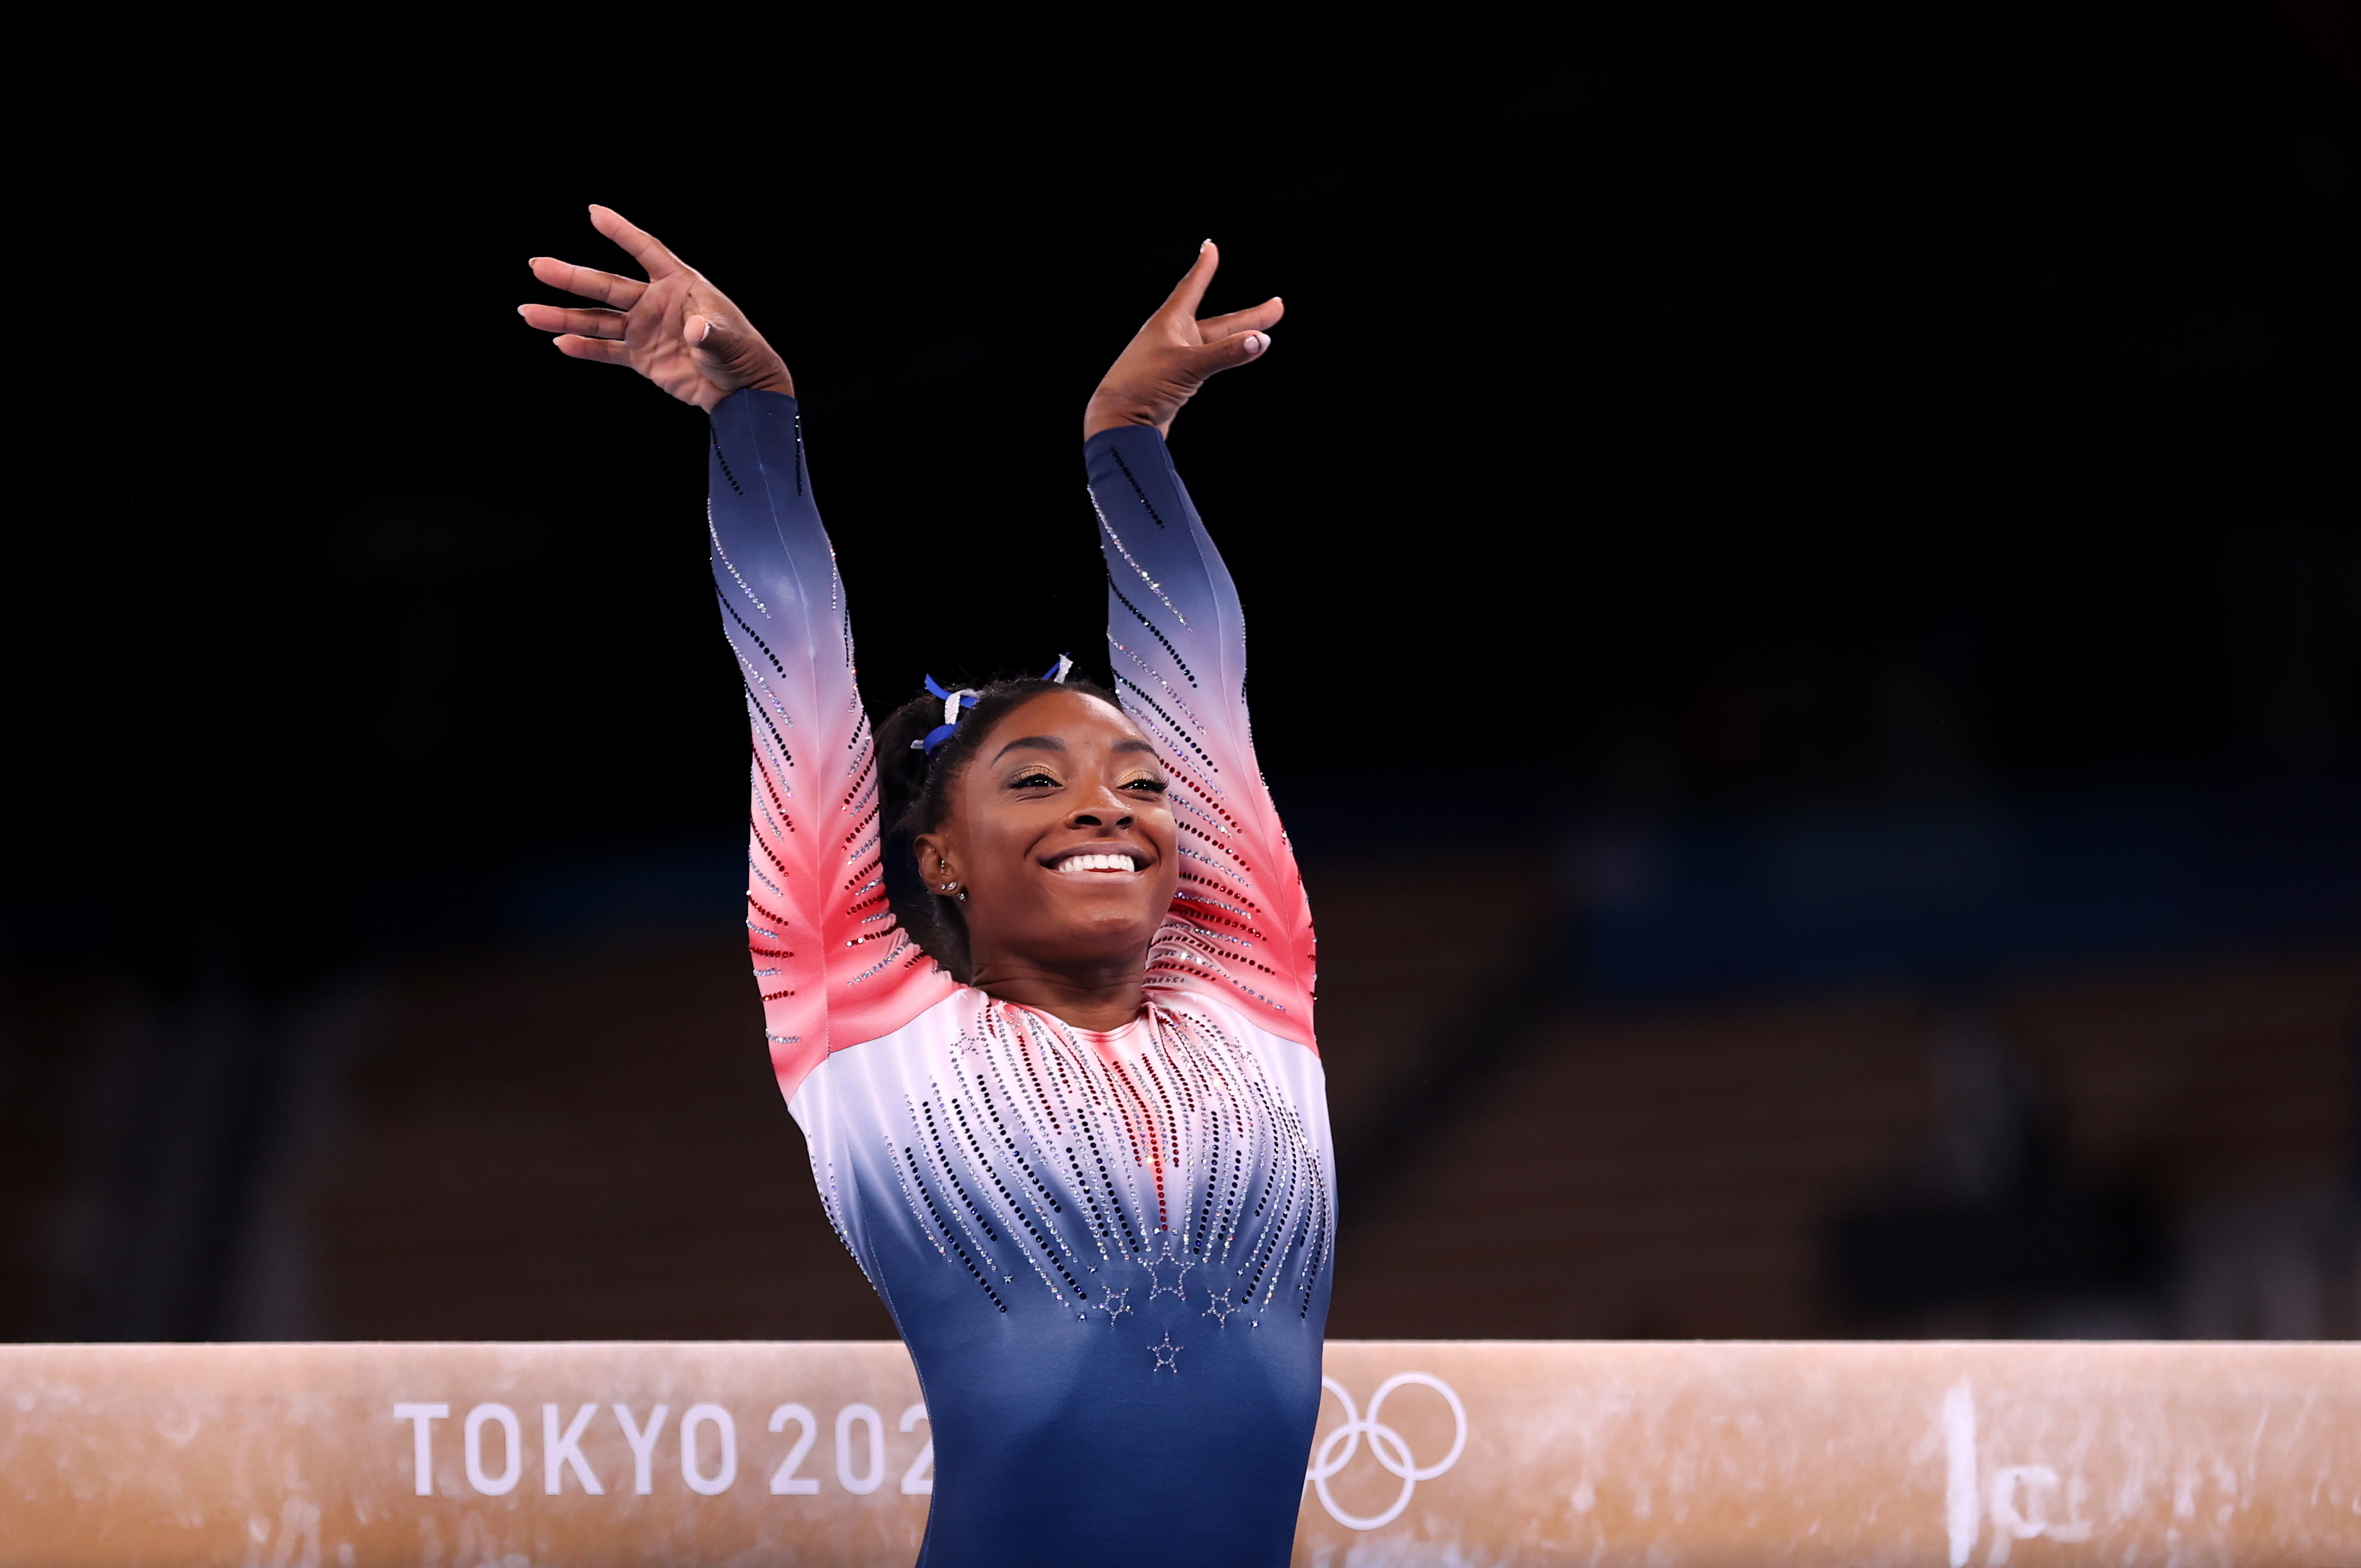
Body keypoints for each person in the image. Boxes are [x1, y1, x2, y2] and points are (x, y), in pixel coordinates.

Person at [520, 207, 1327, 1567]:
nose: (1109, 808)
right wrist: (752, 411)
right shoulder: (865, 1012)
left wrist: (1129, 439)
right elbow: (795, 661)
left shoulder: (1252, 987)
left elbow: (1202, 679)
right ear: (934, 858)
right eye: (1035, 783)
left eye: (1138, 783)